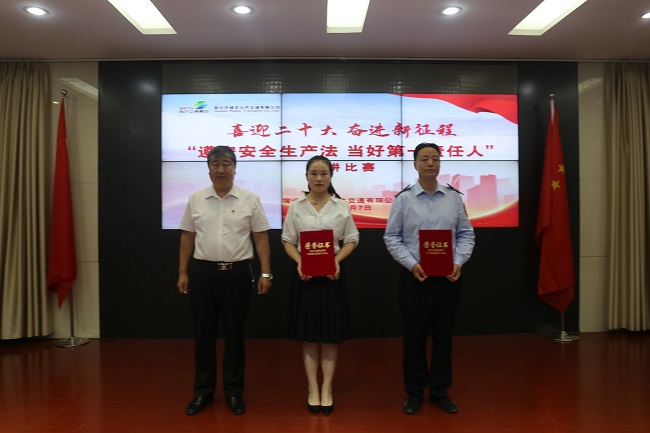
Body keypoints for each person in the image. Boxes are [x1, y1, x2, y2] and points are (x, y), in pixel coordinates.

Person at [177, 145, 273, 416]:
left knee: (235, 336)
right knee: (203, 336)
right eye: (215, 164)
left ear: (234, 168)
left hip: (237, 275)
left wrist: (266, 273)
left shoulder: (249, 199)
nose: (221, 169)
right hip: (203, 274)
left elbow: (261, 237)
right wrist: (183, 272)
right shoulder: (196, 199)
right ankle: (203, 392)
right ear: (208, 169)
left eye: (226, 164)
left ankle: (233, 391)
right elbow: (187, 237)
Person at [383, 142, 475, 416]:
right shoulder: (404, 199)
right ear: (415, 164)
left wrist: (458, 262)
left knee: (444, 337)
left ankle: (439, 392)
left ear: (440, 163)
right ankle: (414, 392)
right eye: (424, 159)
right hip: (415, 279)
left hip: (448, 278)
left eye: (435, 158)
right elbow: (392, 237)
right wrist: (412, 264)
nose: (430, 163)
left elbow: (466, 234)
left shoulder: (454, 198)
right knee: (414, 338)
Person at [281, 155, 359, 416]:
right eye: (313, 173)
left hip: (331, 278)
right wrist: (299, 262)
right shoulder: (296, 207)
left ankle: (327, 388)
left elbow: (352, 238)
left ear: (330, 176)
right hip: (305, 277)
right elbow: (287, 240)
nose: (318, 178)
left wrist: (336, 260)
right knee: (309, 337)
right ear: (306, 177)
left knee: (329, 337)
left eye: (324, 173)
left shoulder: (340, 206)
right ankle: (312, 388)